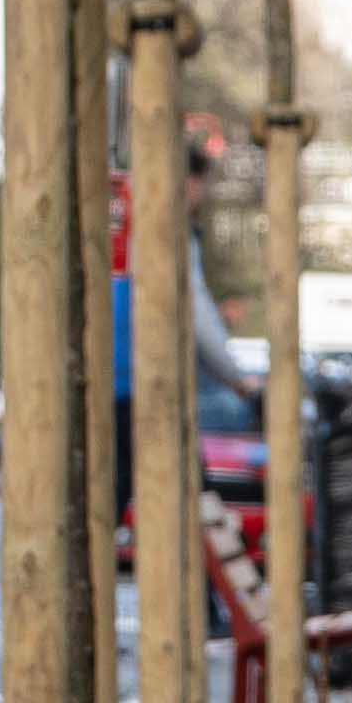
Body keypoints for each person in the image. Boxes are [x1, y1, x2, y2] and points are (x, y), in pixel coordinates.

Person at [113, 137, 260, 516]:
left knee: (115, 488)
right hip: (149, 377)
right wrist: (238, 378)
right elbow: (195, 311)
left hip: (113, 377)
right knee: (191, 492)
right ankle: (201, 575)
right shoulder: (169, 229)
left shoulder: (124, 218)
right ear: (190, 182)